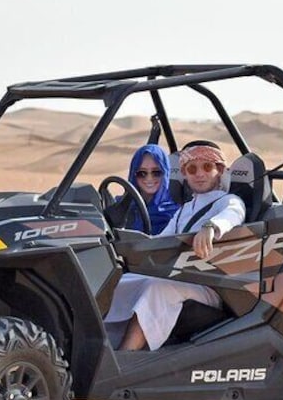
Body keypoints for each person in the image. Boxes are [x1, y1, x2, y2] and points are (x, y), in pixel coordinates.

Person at [104, 141, 246, 351]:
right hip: (180, 277)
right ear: (185, 175)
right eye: (192, 169)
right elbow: (159, 243)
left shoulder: (227, 201)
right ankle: (101, 346)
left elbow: (234, 214)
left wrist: (211, 228)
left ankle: (126, 355)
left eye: (207, 167)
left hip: (209, 285)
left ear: (220, 171)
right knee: (119, 282)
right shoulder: (185, 209)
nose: (199, 174)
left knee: (157, 289)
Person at [118, 144, 179, 234]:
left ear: (165, 174)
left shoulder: (177, 213)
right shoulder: (120, 207)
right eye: (142, 173)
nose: (149, 178)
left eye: (156, 172)